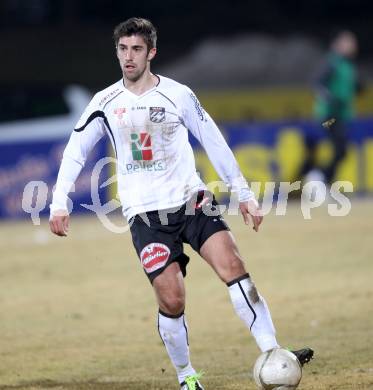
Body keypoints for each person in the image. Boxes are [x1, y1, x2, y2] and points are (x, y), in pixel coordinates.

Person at [49, 17, 313, 390]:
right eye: (122, 49)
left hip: (192, 201)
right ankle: (187, 376)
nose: (128, 57)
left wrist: (245, 196)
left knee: (234, 266)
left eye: (136, 49)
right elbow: (76, 151)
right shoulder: (104, 102)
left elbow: (213, 140)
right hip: (146, 216)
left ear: (151, 52)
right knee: (172, 298)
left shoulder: (178, 94)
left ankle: (272, 352)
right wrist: (59, 203)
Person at [302, 30, 360, 186]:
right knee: (339, 147)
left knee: (341, 151)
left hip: (341, 116)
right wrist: (330, 99)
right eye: (348, 42)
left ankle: (320, 178)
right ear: (338, 44)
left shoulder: (348, 65)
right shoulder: (332, 62)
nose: (352, 46)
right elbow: (317, 84)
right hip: (329, 117)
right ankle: (318, 177)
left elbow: (352, 88)